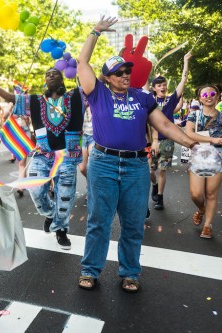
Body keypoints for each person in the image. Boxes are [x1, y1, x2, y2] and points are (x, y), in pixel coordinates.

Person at [76, 17, 198, 292]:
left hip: (135, 167)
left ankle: (130, 273)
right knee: (99, 222)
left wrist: (190, 143)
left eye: (127, 71)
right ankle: (90, 269)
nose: (125, 75)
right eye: (119, 73)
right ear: (107, 78)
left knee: (133, 224)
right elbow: (83, 64)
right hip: (103, 163)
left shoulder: (143, 98)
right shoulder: (97, 94)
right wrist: (95, 32)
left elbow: (165, 125)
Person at [0, 68, 84, 251]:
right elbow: (12, 98)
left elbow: (94, 85)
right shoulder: (35, 101)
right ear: (45, 81)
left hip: (67, 156)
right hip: (42, 155)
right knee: (35, 191)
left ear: (62, 80)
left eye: (55, 73)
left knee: (65, 196)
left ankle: (61, 230)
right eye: (48, 74)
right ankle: (50, 214)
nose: (51, 75)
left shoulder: (75, 97)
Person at [149, 52, 192, 210]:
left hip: (167, 141)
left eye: (164, 84)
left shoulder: (171, 100)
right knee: (151, 171)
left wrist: (185, 62)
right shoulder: (148, 100)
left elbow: (183, 81)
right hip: (150, 142)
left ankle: (160, 198)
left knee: (162, 170)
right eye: (159, 85)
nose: (163, 87)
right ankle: (154, 186)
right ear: (154, 88)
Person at [185, 85, 222, 239]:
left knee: (211, 193)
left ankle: (207, 226)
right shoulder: (194, 115)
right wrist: (212, 139)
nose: (209, 96)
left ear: (218, 97)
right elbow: (189, 134)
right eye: (205, 94)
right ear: (200, 97)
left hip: (218, 157)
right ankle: (201, 209)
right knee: (196, 194)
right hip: (198, 157)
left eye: (212, 93)